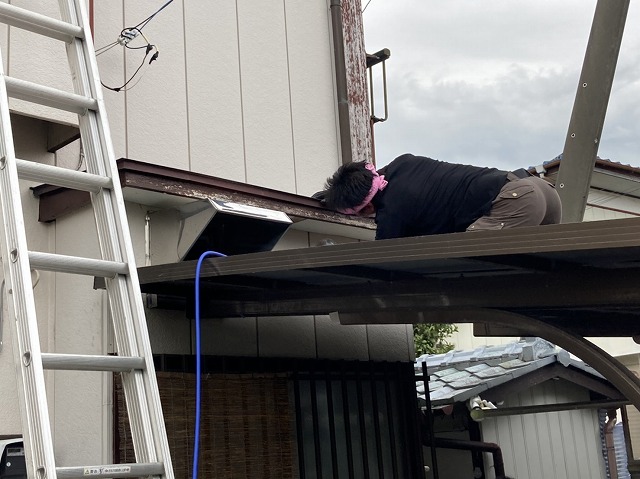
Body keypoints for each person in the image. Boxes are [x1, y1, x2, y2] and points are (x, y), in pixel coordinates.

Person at [317, 153, 562, 240]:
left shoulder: (393, 210)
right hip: (539, 189)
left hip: (515, 202)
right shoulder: (403, 164)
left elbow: (386, 255)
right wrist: (331, 196)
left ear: (367, 206)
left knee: (467, 257)